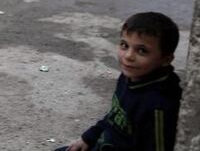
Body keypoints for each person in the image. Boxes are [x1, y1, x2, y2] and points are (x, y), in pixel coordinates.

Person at [57, 12, 182, 151]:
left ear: (166, 59)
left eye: (142, 51)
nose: (128, 56)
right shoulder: (129, 76)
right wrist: (89, 137)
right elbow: (114, 117)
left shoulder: (158, 104)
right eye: (124, 45)